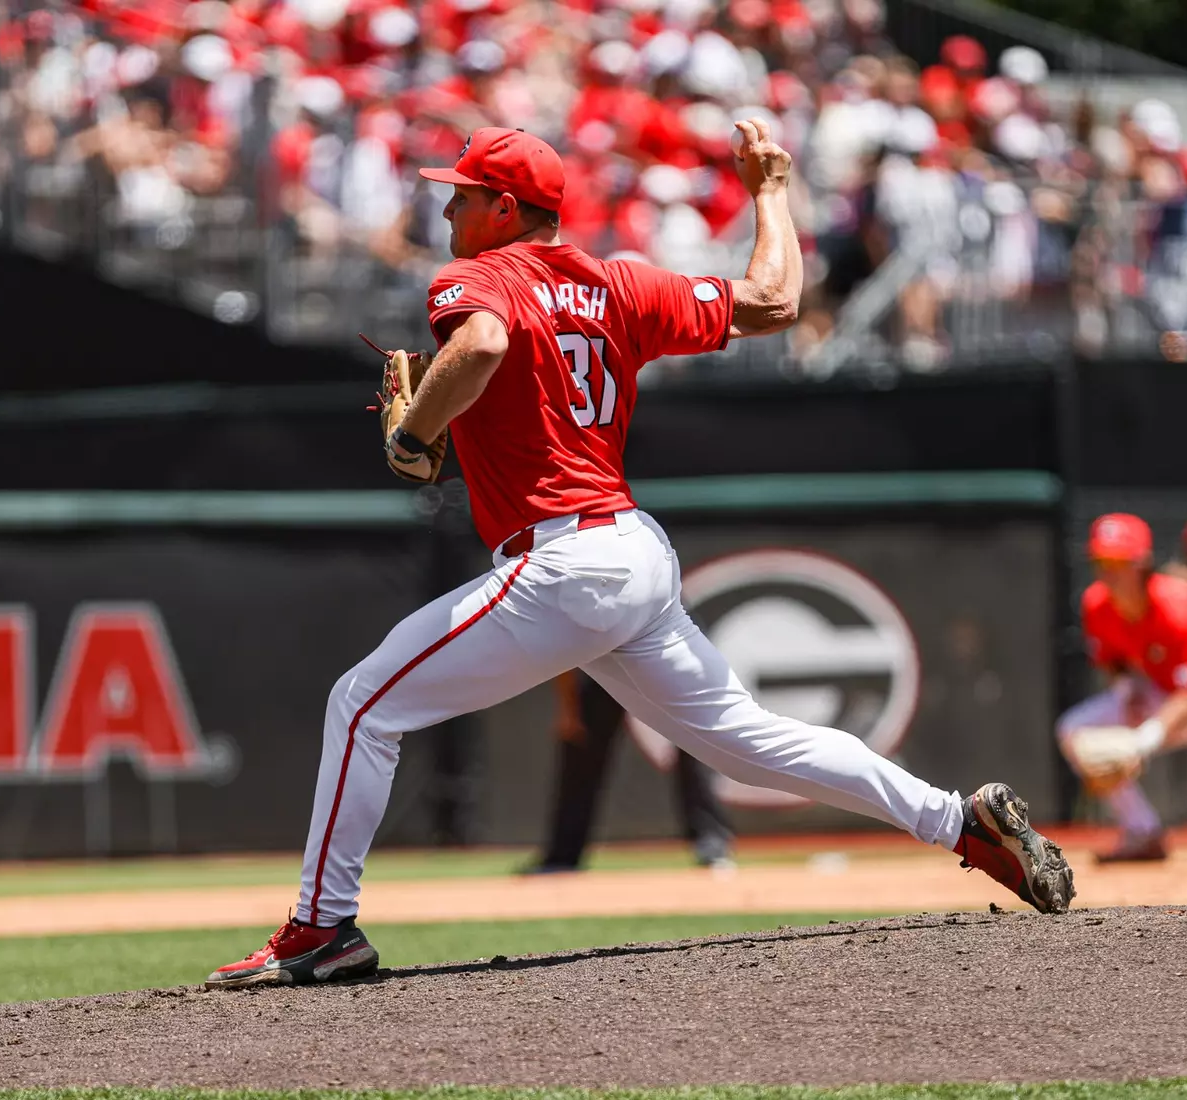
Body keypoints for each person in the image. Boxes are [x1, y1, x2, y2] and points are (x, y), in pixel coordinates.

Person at [205, 121, 1075, 990]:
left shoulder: (476, 276)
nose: (445, 206)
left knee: (362, 707)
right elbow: (773, 302)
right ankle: (959, 823)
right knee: (747, 741)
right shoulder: (619, 283)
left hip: (565, 560)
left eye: (462, 195)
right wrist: (770, 188)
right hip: (631, 551)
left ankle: (321, 930)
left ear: (505, 209)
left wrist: (415, 432)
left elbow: (481, 344)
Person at [1057, 514, 1187, 866]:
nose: (1106, 570)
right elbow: (1114, 664)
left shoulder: (1180, 603)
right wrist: (1128, 694)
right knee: (1073, 728)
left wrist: (1144, 738)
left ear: (1141, 563)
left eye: (1116, 561)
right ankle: (1142, 831)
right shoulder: (1096, 604)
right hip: (1165, 688)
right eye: (1100, 560)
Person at [526, 670, 736, 875]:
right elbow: (566, 655)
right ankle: (562, 856)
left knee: (694, 741)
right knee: (581, 741)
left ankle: (713, 845)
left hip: (655, 660)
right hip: (604, 667)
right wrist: (569, 708)